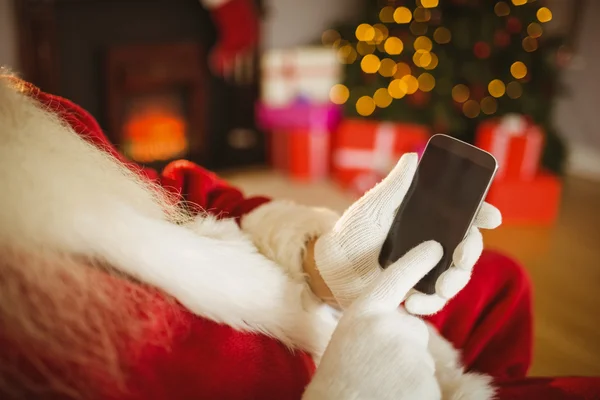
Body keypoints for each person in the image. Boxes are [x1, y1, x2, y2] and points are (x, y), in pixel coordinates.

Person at [1, 74, 599, 399]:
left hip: (298, 295)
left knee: (498, 277)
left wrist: (322, 259)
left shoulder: (26, 115)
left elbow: (185, 192)